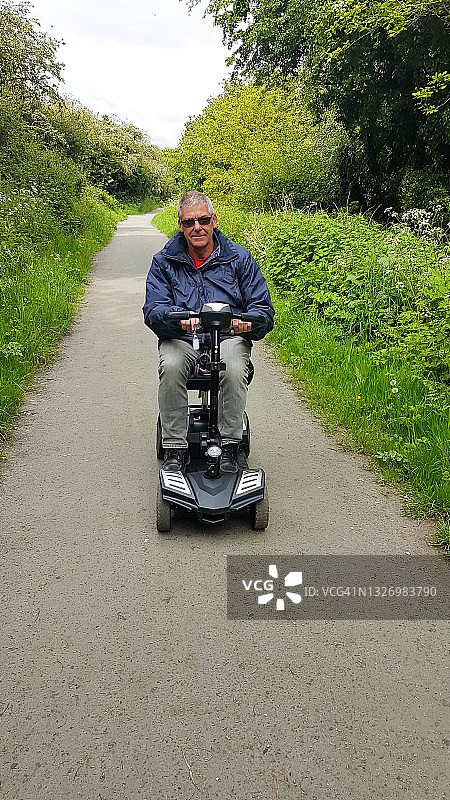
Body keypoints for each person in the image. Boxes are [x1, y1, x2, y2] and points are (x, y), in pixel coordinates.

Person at [143, 190, 274, 473]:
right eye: (189, 222)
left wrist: (245, 324)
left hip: (228, 337)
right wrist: (180, 321)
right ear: (180, 225)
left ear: (214, 220)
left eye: (203, 220)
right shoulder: (164, 261)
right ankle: (175, 448)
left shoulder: (240, 259)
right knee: (173, 363)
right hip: (183, 338)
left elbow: (263, 312)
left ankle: (230, 446)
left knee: (235, 366)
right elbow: (152, 311)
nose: (197, 227)